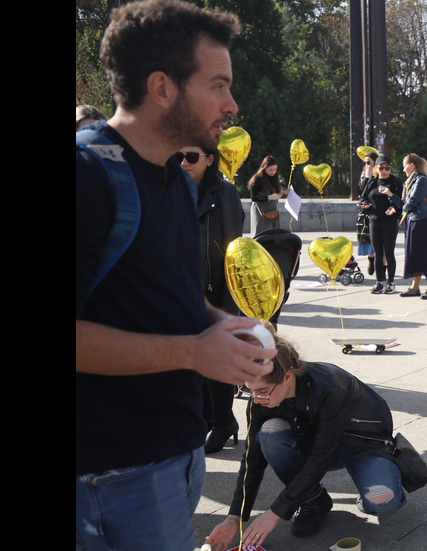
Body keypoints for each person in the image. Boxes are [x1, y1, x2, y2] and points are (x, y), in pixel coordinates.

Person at [75, 2, 275, 549]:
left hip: (177, 452)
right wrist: (192, 352)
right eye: (217, 85)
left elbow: (173, 298)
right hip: (113, 473)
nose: (231, 105)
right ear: (162, 87)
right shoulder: (88, 175)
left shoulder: (178, 181)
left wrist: (226, 325)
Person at [205, 323, 407, 550]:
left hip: (362, 444)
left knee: (381, 503)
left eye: (262, 391)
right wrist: (235, 517)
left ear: (288, 376)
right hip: (314, 441)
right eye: (249, 390)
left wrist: (274, 513)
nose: (257, 399)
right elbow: (252, 459)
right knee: (269, 433)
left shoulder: (329, 387)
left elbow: (321, 457)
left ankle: (380, 477)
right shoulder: (260, 399)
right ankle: (314, 499)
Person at [177, 145, 247, 454]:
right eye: (178, 156)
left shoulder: (224, 193)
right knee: (191, 362)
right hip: (180, 288)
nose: (184, 162)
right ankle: (207, 417)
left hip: (213, 289)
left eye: (192, 157)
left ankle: (223, 422)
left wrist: (229, 304)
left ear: (209, 159)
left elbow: (234, 248)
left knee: (215, 361)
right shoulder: (172, 187)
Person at [359, 154, 403, 294]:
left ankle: (390, 283)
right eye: (381, 168)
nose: (384, 170)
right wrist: (364, 205)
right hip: (374, 221)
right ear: (376, 168)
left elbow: (401, 202)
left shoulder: (395, 182)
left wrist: (394, 208)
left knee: (389, 252)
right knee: (377, 253)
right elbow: (364, 197)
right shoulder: (372, 182)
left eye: (387, 168)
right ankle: (379, 282)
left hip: (390, 222)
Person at [400, 153, 427, 299]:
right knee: (414, 255)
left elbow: (412, 201)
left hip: (423, 221)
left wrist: (401, 207)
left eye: (405, 166)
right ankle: (414, 287)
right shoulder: (408, 182)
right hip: (412, 221)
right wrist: (391, 196)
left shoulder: (421, 180)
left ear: (412, 166)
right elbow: (405, 204)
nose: (403, 169)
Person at [248, 156, 288, 235]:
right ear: (264, 168)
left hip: (272, 212)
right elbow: (254, 198)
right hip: (261, 213)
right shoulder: (257, 179)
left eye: (275, 170)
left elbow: (275, 193)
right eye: (270, 169)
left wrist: (283, 193)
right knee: (261, 234)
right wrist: (269, 197)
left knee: (273, 235)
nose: (273, 172)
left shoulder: (274, 178)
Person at [357, 151, 378, 276]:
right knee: (368, 238)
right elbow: (361, 192)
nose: (367, 165)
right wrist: (367, 177)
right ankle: (371, 260)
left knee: (381, 241)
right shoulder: (365, 174)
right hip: (366, 210)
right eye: (365, 162)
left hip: (379, 210)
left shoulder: (382, 171)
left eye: (369, 162)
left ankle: (382, 265)